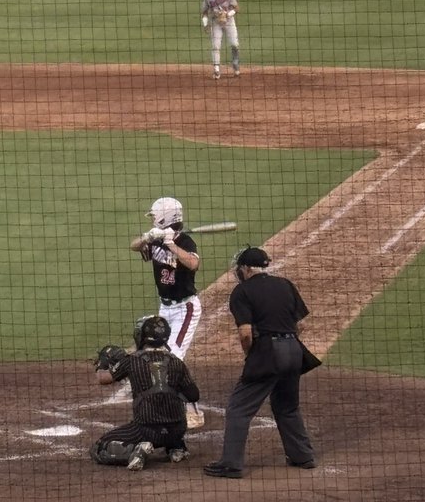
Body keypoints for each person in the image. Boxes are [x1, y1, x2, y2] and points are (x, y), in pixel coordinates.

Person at [204, 247, 319, 479]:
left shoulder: (242, 291)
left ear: (246, 268)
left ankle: (231, 464)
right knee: (287, 407)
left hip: (268, 352)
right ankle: (302, 456)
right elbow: (301, 324)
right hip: (294, 351)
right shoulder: (285, 284)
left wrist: (252, 355)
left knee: (238, 408)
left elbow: (245, 333)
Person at [90, 315, 201, 471]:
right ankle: (176, 447)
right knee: (171, 418)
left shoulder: (131, 360)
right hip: (177, 430)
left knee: (99, 447)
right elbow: (194, 395)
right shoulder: (177, 362)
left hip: (146, 431)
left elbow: (103, 379)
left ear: (142, 336)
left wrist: (102, 364)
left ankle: (135, 451)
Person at [129, 196, 202, 360]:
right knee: (158, 352)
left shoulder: (185, 241)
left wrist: (170, 244)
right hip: (164, 307)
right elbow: (133, 246)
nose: (153, 220)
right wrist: (147, 237)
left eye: (154, 216)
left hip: (185, 308)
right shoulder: (155, 240)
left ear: (164, 217)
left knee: (174, 355)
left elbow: (193, 264)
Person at [201, 0, 240, 79]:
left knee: (234, 44)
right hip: (216, 23)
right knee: (216, 46)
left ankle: (235, 64)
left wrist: (228, 14)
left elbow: (237, 8)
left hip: (229, 22)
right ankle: (216, 70)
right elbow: (204, 12)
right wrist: (205, 24)